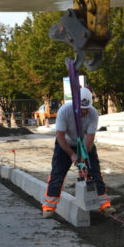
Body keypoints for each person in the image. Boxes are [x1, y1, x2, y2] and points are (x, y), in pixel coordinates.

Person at [42, 87, 113, 218]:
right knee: (57, 173)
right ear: (75, 104)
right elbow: (60, 137)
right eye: (81, 109)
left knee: (95, 172)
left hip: (85, 145)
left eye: (86, 109)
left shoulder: (93, 114)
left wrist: (83, 157)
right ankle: (49, 206)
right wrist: (72, 154)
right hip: (65, 144)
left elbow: (90, 139)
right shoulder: (64, 111)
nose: (84, 112)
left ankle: (104, 203)